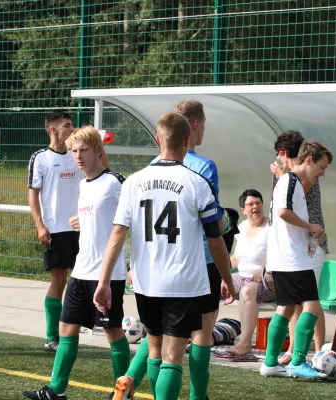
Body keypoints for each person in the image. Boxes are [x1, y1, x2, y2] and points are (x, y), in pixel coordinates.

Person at [93, 112, 236, 400]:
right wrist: (228, 280)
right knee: (174, 356)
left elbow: (117, 235)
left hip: (146, 282)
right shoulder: (196, 183)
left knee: (154, 349)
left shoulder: (133, 182)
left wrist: (104, 281)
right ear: (187, 140)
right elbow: (216, 241)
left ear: (158, 140)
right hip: (184, 282)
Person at [22, 126, 130, 400]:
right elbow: (100, 219)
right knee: (66, 328)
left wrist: (132, 267)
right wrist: (83, 222)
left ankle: (123, 392)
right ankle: (56, 390)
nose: (78, 156)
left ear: (97, 151)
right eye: (74, 151)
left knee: (113, 332)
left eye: (84, 150)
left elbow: (132, 223)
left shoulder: (116, 183)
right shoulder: (83, 184)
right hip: (81, 270)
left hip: (108, 274)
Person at [28, 111, 109, 351]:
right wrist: (40, 225)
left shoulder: (78, 155)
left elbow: (104, 171)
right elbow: (33, 194)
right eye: (66, 125)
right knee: (59, 279)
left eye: (72, 125)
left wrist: (98, 146)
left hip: (84, 226)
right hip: (57, 229)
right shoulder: (40, 158)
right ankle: (53, 335)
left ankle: (94, 322)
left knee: (91, 275)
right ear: (53, 130)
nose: (71, 129)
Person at [260, 140, 332, 379]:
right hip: (291, 259)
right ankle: (298, 361)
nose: (323, 172)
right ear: (309, 159)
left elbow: (286, 218)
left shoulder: (294, 183)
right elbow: (283, 212)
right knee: (310, 304)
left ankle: (271, 362)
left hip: (286, 257)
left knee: (287, 307)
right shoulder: (290, 181)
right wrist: (310, 225)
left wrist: (309, 237)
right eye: (321, 166)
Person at [215, 189, 273, 361]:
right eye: (250, 204)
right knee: (208, 285)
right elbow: (235, 258)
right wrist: (221, 275)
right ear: (243, 210)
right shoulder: (241, 227)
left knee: (247, 291)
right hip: (241, 278)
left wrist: (263, 269)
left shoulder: (272, 228)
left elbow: (280, 255)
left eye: (258, 203)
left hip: (267, 281)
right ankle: (199, 337)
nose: (255, 207)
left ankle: (245, 343)